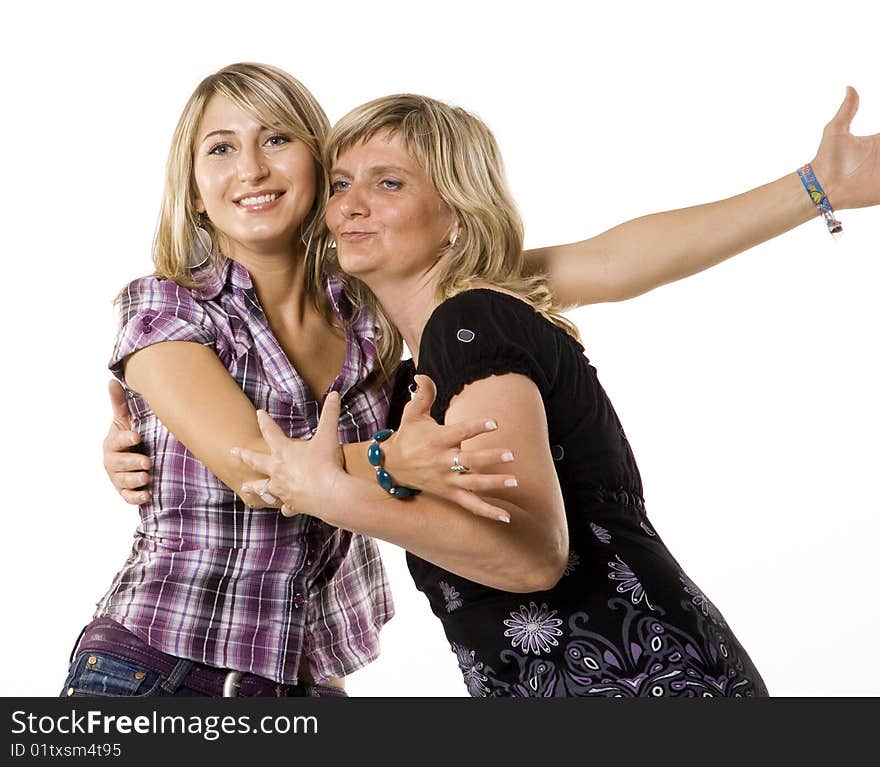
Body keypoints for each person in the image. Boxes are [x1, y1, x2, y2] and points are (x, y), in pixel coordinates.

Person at [230, 92, 879, 696]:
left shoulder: (472, 322)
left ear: (457, 211)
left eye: (388, 182)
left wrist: (336, 493)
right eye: (339, 184)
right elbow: (613, 260)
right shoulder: (416, 377)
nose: (350, 205)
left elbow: (535, 557)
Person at [61, 63, 521, 699]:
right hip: (160, 669)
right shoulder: (165, 308)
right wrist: (394, 462)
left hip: (311, 681)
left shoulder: (374, 311)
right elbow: (255, 471)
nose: (250, 169)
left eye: (276, 138)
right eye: (221, 148)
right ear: (195, 189)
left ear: (319, 166)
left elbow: (585, 266)